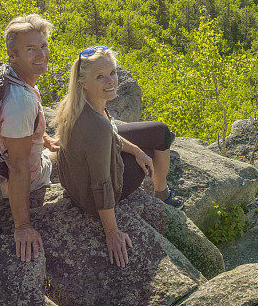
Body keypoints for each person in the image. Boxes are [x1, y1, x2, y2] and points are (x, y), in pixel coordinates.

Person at [54, 46, 183, 269]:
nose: (111, 81)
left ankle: (160, 190)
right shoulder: (97, 126)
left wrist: (135, 150)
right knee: (154, 149)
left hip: (74, 185)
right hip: (92, 198)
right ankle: (161, 194)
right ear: (84, 82)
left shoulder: (77, 103)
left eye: (112, 73)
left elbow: (110, 134)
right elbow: (101, 182)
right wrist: (112, 232)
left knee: (160, 131)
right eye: (100, 77)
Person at [0, 14, 60, 263]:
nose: (41, 54)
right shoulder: (21, 102)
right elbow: (18, 167)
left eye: (43, 46)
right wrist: (22, 227)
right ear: (13, 55)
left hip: (0, 166)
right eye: (30, 49)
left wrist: (46, 138)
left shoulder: (13, 77)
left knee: (59, 146)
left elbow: (20, 130)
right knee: (79, 149)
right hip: (21, 180)